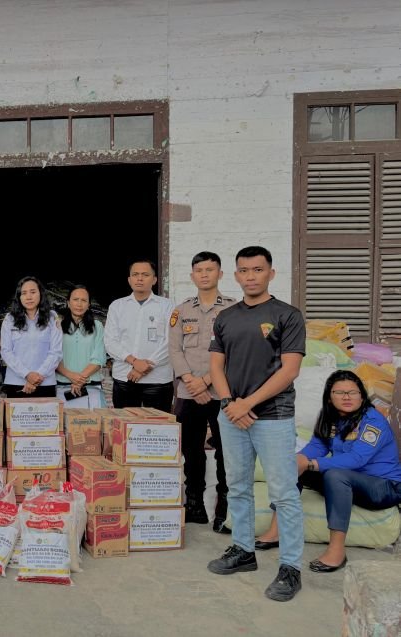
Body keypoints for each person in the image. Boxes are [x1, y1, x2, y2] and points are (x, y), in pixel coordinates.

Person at [207, 246, 306, 602]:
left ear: (271, 273)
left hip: (273, 417)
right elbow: (216, 366)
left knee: (284, 493)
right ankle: (243, 550)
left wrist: (246, 403)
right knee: (237, 486)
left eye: (258, 270)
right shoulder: (226, 317)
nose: (251, 276)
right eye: (244, 270)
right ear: (236, 275)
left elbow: (289, 370)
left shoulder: (287, 315)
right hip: (232, 415)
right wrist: (229, 403)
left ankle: (290, 567)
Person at [255, 370, 401, 573]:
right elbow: (317, 447)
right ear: (329, 397)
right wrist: (299, 460)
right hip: (351, 482)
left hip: (383, 487)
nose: (347, 397)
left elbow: (356, 459)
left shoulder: (372, 420)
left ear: (362, 396)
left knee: (334, 474)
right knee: (294, 464)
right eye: (339, 392)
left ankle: (337, 550)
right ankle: (276, 530)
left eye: (353, 392)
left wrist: (311, 464)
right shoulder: (328, 416)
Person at [168, 252, 236, 532]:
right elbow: (174, 350)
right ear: (192, 275)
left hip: (222, 392)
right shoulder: (181, 310)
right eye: (199, 270)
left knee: (225, 451)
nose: (205, 274)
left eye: (210, 269)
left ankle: (224, 508)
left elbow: (234, 351)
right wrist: (190, 381)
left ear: (220, 274)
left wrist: (207, 381)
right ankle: (194, 504)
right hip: (188, 392)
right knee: (191, 449)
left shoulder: (234, 309)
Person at [104, 259, 175, 412]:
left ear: (154, 279)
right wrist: (135, 361)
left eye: (145, 274)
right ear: (129, 280)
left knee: (159, 425)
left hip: (158, 380)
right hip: (125, 378)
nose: (140, 278)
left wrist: (145, 366)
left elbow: (172, 341)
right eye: (135, 274)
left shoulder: (167, 306)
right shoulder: (117, 306)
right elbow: (110, 341)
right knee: (125, 424)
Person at [0, 276, 63, 397]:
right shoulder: (9, 319)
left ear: (41, 294)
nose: (28, 297)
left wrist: (38, 376)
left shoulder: (52, 317)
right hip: (16, 382)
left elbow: (56, 352)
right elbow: (6, 351)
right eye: (24, 293)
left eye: (33, 292)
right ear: (19, 297)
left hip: (45, 382)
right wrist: (27, 374)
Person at [55, 284, 106, 407]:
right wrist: (71, 376)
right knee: (64, 419)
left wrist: (80, 379)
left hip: (91, 386)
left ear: (89, 305)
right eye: (75, 299)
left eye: (83, 300)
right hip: (63, 385)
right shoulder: (57, 326)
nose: (79, 304)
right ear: (68, 303)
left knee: (93, 419)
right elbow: (53, 356)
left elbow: (99, 357)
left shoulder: (97, 326)